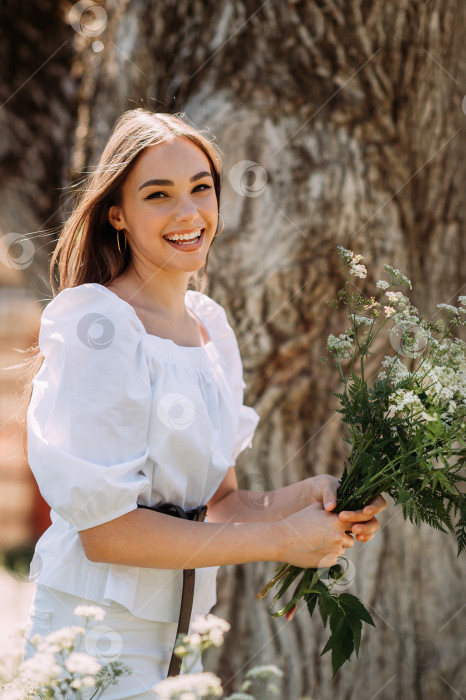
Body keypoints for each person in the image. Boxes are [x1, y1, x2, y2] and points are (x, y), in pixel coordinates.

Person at [23, 108, 386, 698]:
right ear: (118, 213)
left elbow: (220, 504)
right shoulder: (99, 325)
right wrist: (282, 540)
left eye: (201, 187)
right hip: (92, 638)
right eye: (158, 194)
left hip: (183, 641)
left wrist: (310, 498)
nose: (188, 212)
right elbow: (106, 532)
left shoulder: (209, 330)